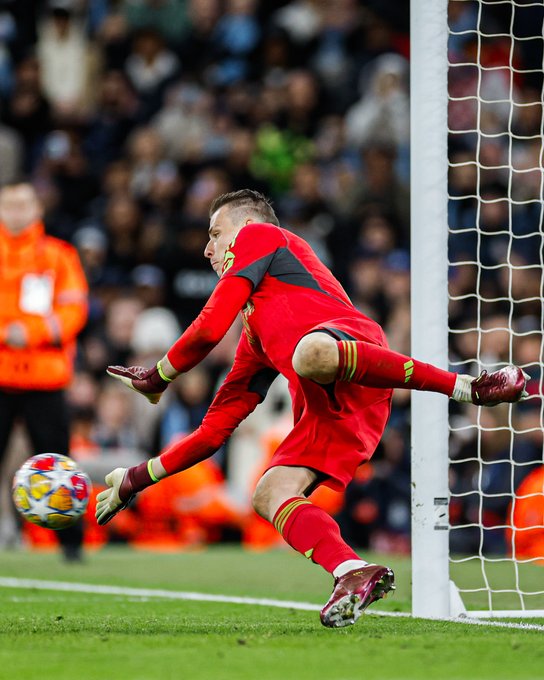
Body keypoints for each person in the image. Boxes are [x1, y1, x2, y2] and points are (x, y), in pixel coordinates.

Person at [96, 189, 528, 627]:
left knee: (309, 353)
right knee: (267, 493)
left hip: (352, 352)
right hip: (331, 411)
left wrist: (159, 375)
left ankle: (468, 386)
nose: (208, 248)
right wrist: (137, 477)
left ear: (244, 228)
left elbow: (210, 326)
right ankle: (351, 571)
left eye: (215, 233)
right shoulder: (256, 336)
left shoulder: (262, 235)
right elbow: (212, 431)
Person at [0, 181, 89, 560]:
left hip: (46, 378)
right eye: (10, 204)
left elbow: (75, 309)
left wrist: (30, 332)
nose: (17, 211)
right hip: (4, 375)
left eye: (24, 204)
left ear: (37, 209)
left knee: (58, 465)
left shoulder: (59, 255)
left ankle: (72, 548)